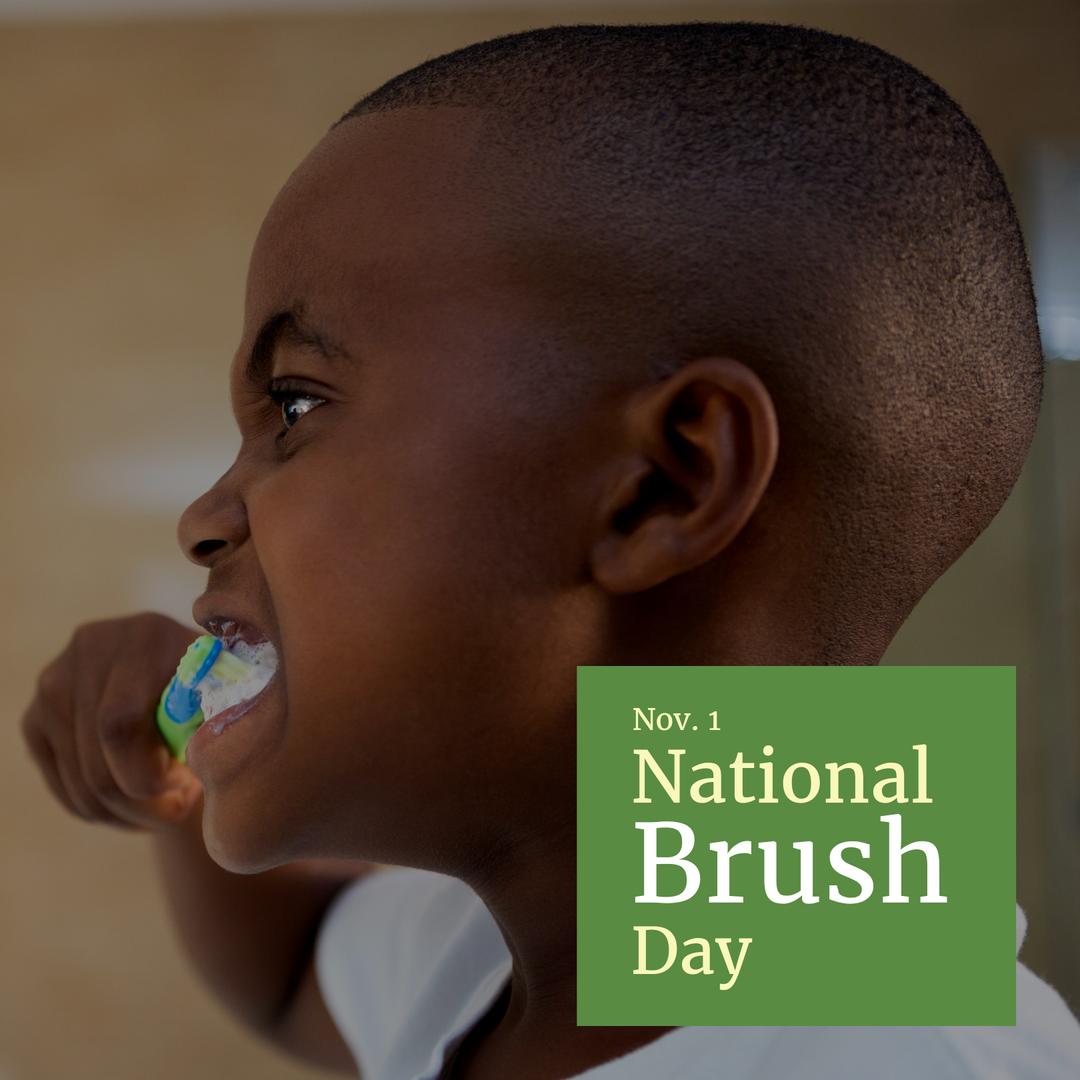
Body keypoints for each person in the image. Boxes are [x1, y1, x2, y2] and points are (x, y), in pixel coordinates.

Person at [21, 21, 1080, 1080]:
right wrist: (181, 772)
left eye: (296, 403)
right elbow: (298, 969)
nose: (202, 518)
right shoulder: (523, 951)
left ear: (663, 487)